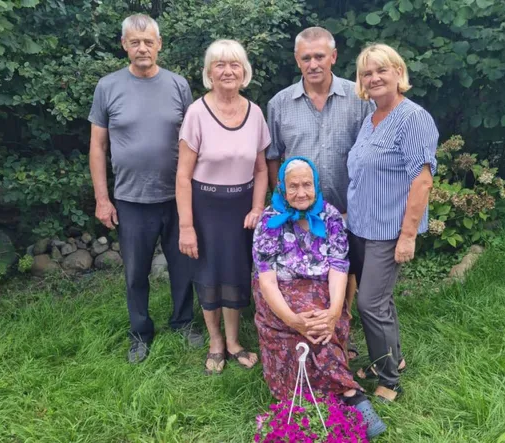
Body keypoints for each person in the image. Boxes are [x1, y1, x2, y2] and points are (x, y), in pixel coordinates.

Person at [88, 14, 201, 364]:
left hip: (177, 196)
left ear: (159, 44)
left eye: (148, 41)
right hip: (131, 199)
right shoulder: (108, 87)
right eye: (134, 42)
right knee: (136, 272)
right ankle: (140, 333)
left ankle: (183, 322)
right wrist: (102, 198)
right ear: (124, 45)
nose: (142, 48)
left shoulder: (178, 85)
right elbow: (97, 147)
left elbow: (195, 138)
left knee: (183, 267)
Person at [252, 156, 386, 439]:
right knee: (304, 331)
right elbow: (266, 279)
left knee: (322, 323)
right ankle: (350, 394)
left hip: (322, 290)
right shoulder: (268, 220)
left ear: (315, 184)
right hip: (280, 293)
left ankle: (337, 395)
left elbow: (339, 267)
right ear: (282, 188)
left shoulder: (331, 216)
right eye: (293, 186)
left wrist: (335, 310)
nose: (301, 192)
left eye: (306, 184)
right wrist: (292, 319)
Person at [266, 26, 374, 357]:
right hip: (299, 212)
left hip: (348, 206)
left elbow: (371, 151)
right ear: (297, 61)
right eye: (306, 57)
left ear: (334, 57)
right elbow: (273, 158)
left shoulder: (359, 99)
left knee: (348, 269)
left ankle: (343, 326)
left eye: (320, 56)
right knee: (309, 273)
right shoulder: (280, 103)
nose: (314, 64)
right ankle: (305, 325)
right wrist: (280, 200)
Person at [347, 43, 439, 402]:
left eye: (381, 70)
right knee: (380, 302)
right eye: (367, 73)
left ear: (398, 73)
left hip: (388, 231)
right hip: (360, 227)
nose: (374, 78)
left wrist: (408, 236)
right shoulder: (369, 119)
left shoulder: (413, 118)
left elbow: (422, 180)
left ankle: (389, 381)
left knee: (369, 303)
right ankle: (391, 359)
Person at [176, 39, 269, 375]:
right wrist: (186, 226)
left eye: (234, 64)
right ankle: (215, 340)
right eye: (220, 65)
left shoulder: (255, 113)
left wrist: (257, 207)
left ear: (244, 72)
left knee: (235, 274)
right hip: (205, 209)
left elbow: (261, 170)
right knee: (208, 274)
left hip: (241, 209)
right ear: (209, 73)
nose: (228, 71)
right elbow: (183, 176)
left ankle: (233, 340)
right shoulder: (197, 112)